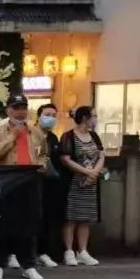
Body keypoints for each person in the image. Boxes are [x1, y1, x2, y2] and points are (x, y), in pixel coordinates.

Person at [0, 94, 47, 279]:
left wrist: (41, 165)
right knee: (2, 224)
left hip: (30, 180)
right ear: (8, 110)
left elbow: (43, 153)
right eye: (16, 108)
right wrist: (12, 136)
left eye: (23, 107)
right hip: (6, 182)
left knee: (29, 225)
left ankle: (28, 265)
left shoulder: (35, 131)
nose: (21, 112)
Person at [59, 106, 104, 267]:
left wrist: (95, 172)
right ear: (85, 118)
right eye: (94, 116)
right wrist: (86, 172)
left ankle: (83, 251)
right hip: (74, 182)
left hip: (91, 183)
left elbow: (101, 155)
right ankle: (69, 251)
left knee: (85, 218)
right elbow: (65, 159)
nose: (96, 119)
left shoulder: (94, 136)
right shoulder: (68, 136)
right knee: (71, 218)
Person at [36, 103, 65, 269]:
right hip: (32, 182)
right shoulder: (30, 135)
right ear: (38, 116)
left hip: (50, 185)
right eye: (47, 114)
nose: (51, 118)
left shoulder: (53, 138)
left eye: (54, 115)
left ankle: (43, 252)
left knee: (47, 219)